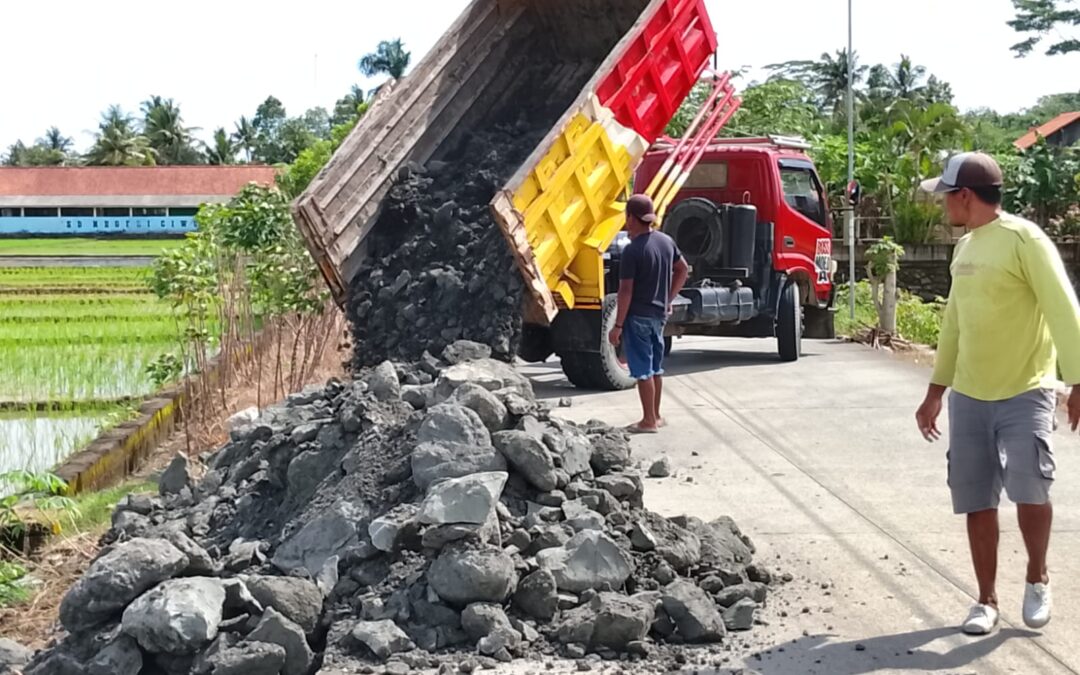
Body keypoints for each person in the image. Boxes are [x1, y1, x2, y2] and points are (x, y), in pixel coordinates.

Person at [914, 152, 1080, 635]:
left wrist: (1076, 382)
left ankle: (1037, 576)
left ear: (965, 195)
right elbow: (953, 325)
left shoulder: (1025, 240)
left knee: (1030, 489)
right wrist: (935, 391)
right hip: (969, 393)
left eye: (946, 194)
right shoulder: (964, 249)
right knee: (975, 498)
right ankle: (985, 600)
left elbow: (1064, 310)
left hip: (1025, 390)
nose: (943, 204)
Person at [608, 194, 689, 433]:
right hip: (658, 315)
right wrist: (668, 298)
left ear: (631, 218)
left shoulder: (633, 251)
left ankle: (648, 421)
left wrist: (618, 326)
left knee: (643, 371)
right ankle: (656, 415)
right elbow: (683, 269)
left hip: (638, 316)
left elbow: (625, 290)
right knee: (656, 368)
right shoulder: (665, 241)